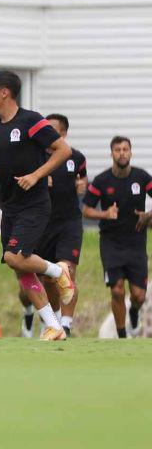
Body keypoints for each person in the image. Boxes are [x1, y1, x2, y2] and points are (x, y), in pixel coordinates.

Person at [0, 70, 74, 342]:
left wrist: (36, 175)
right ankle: (53, 326)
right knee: (19, 267)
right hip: (10, 206)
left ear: (4, 92)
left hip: (34, 204)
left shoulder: (31, 121)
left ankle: (58, 271)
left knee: (14, 257)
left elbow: (64, 150)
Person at [21, 113, 86, 337]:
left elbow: (82, 177)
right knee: (47, 278)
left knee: (68, 271)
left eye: (51, 129)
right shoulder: (34, 157)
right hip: (40, 223)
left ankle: (65, 325)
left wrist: (82, 185)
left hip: (69, 222)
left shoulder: (76, 157)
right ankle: (45, 317)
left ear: (63, 134)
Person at [82, 136, 151, 338]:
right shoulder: (102, 181)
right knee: (117, 290)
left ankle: (134, 312)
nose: (122, 153)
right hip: (111, 243)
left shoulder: (142, 177)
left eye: (125, 149)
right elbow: (86, 210)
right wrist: (105, 214)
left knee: (139, 295)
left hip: (136, 243)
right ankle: (122, 336)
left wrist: (148, 215)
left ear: (131, 152)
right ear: (111, 153)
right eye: (117, 150)